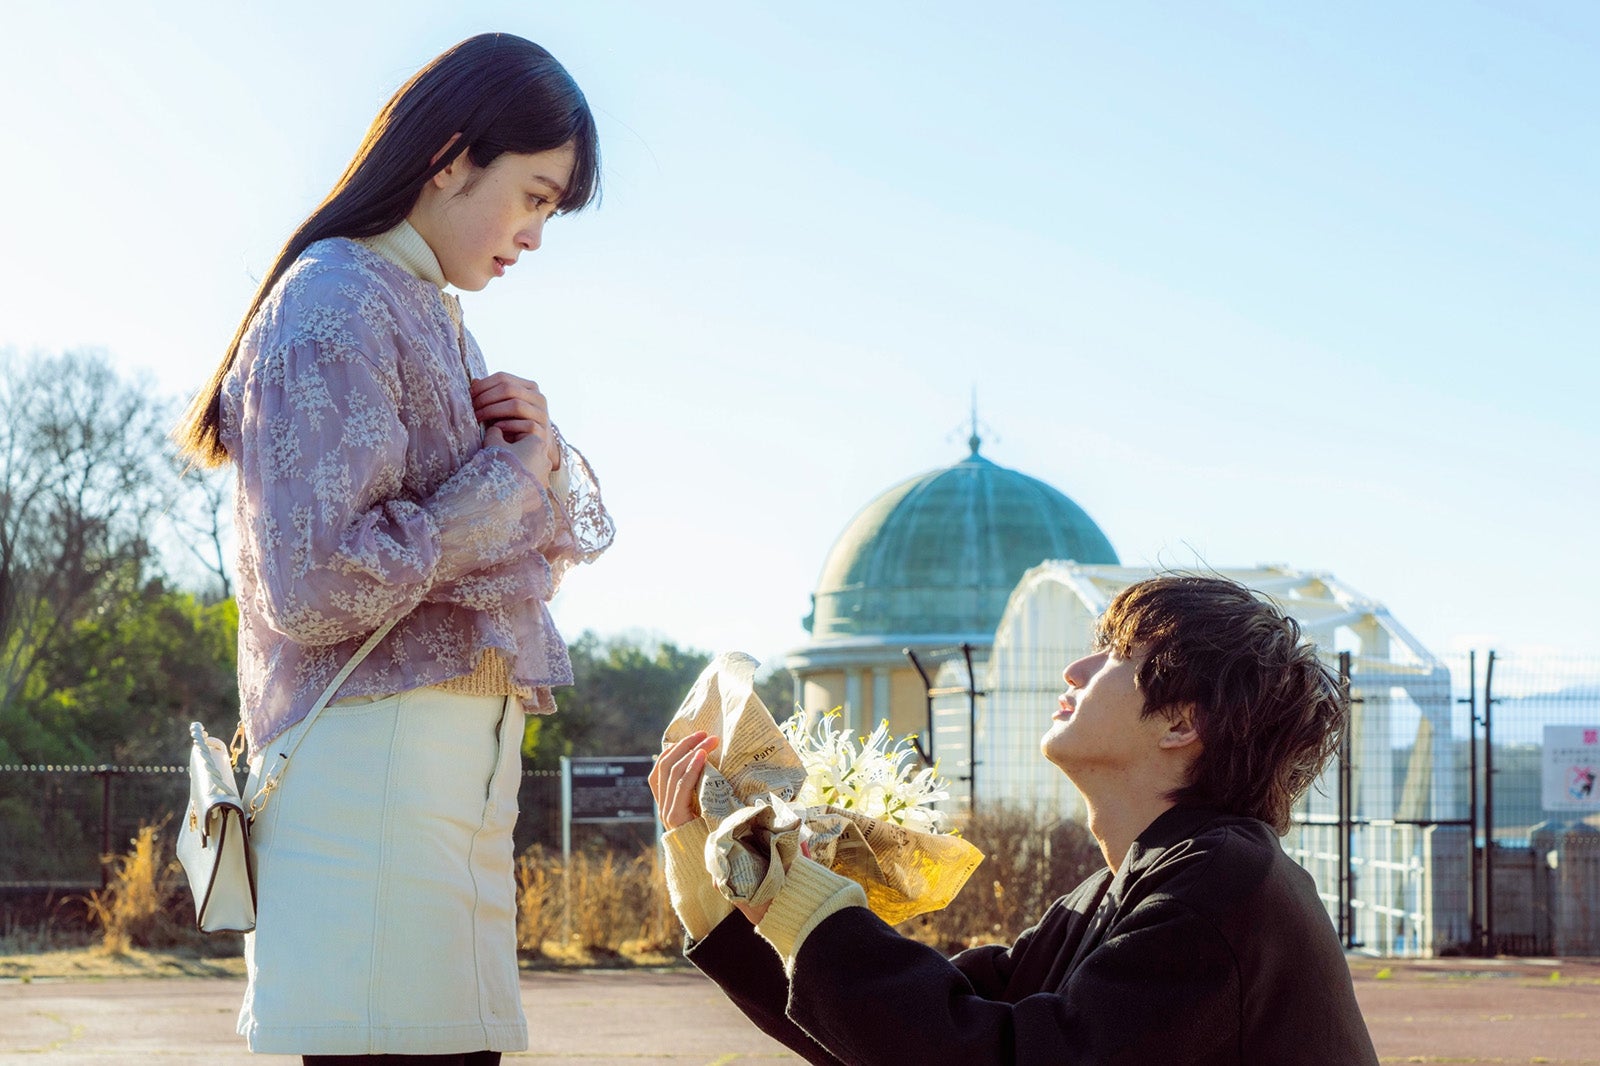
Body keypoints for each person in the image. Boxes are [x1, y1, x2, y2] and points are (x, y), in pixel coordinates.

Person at [173, 33, 613, 1065]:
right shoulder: (332, 300)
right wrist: (512, 480)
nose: (535, 236)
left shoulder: (425, 308)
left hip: (434, 795)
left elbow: (514, 561)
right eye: (534, 197)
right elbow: (315, 581)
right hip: (373, 795)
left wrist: (537, 453)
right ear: (452, 158)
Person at [651, 575, 1379, 1065]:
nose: (1076, 670)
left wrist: (810, 904)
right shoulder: (1126, 888)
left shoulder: (1222, 887)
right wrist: (718, 895)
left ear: (1182, 723)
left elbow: (989, 1056)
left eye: (1119, 654)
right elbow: (909, 1036)